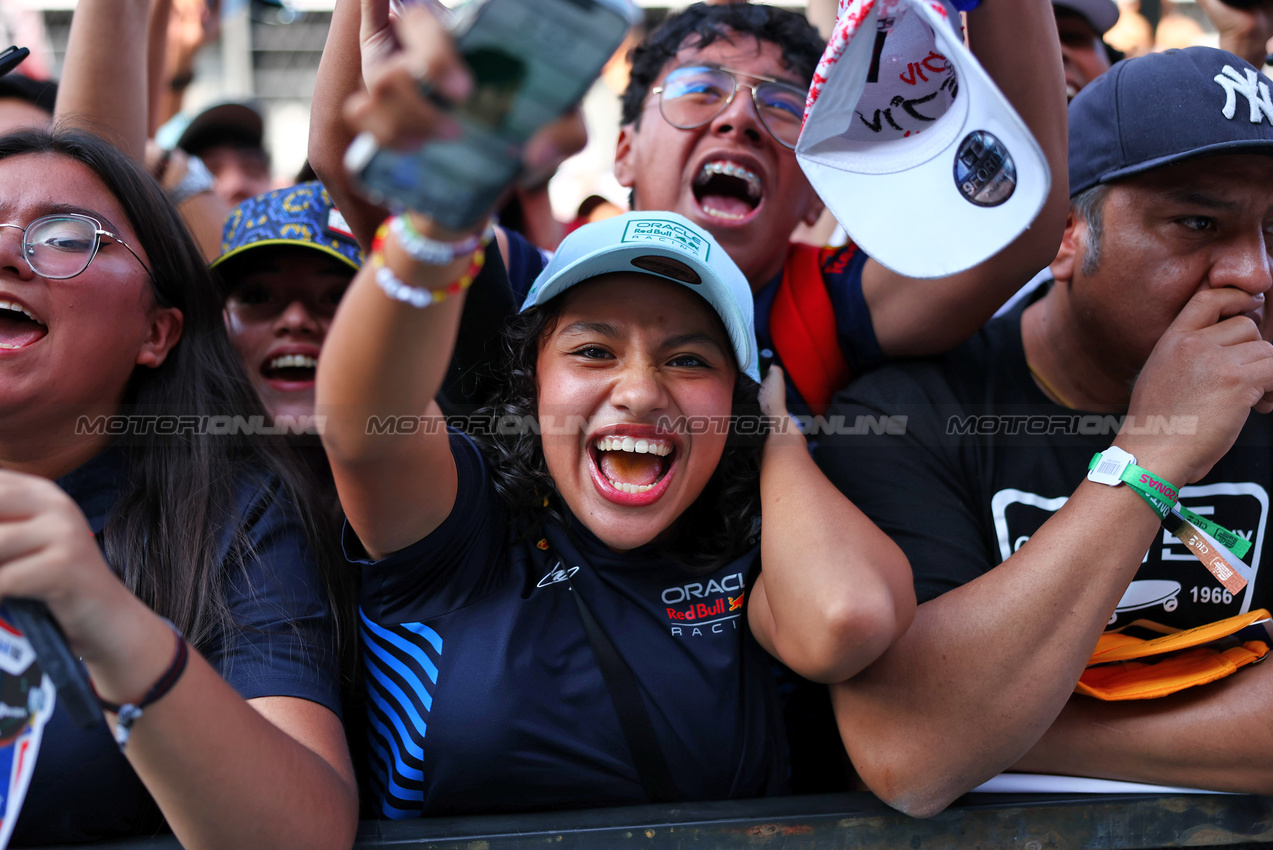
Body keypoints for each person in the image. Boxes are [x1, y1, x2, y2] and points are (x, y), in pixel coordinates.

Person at [317, 65, 914, 812]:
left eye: (688, 359)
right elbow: (363, 429)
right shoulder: (460, 526)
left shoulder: (761, 541)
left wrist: (777, 430)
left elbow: (844, 619)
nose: (638, 391)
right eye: (593, 350)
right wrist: (437, 217)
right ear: (530, 379)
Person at [814, 46, 1273, 816]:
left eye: (1272, 230)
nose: (1253, 272)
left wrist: (1001, 726)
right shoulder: (904, 415)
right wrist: (1150, 455)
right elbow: (919, 754)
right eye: (1197, 222)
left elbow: (917, 732)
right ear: (1064, 232)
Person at [308, 1, 1069, 416]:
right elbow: (359, 175)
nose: (737, 119)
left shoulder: (827, 309)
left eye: (780, 105)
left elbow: (1018, 223)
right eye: (699, 89)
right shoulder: (534, 289)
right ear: (624, 152)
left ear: (813, 191)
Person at [0, 128, 357, 847]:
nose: (6, 251)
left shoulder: (231, 516)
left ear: (157, 331)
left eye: (66, 236)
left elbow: (302, 832)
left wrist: (107, 618)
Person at [213, 181, 363, 425]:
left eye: (337, 297)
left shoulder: (446, 454)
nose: (295, 320)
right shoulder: (164, 457)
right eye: (258, 297)